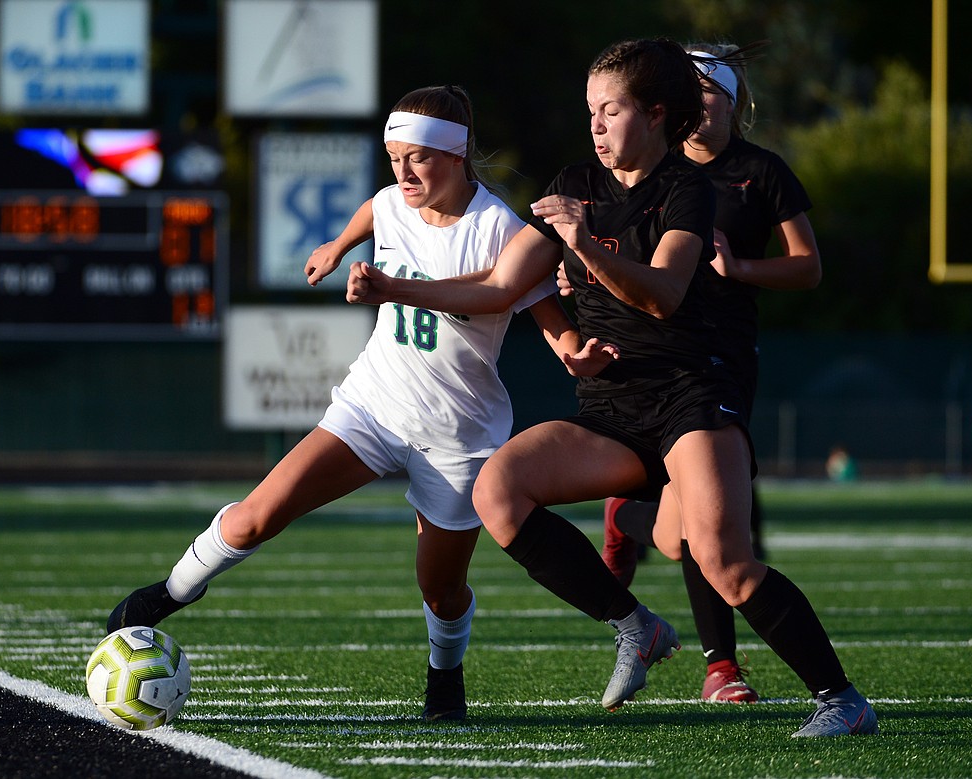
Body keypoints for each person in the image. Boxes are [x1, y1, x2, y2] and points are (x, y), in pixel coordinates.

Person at [348, 39, 876, 736]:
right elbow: (505, 286)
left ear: (656, 115)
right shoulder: (577, 182)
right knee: (498, 491)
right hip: (614, 405)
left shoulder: (691, 189)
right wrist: (393, 285)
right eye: (590, 111)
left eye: (611, 110)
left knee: (724, 561)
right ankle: (634, 624)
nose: (595, 125)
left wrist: (585, 246)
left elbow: (662, 293)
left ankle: (841, 698)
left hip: (692, 395)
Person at [106, 85, 619, 722]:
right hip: (372, 406)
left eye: (419, 159)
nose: (403, 173)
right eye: (394, 157)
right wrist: (337, 245)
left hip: (457, 434)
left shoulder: (502, 231)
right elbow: (373, 212)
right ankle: (164, 595)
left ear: (456, 156)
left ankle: (444, 677)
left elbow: (541, 310)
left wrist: (574, 350)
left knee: (441, 587)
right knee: (251, 519)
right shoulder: (391, 201)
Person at [569, 42, 820, 705]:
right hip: (664, 361)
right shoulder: (653, 173)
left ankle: (634, 515)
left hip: (725, 358)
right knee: (709, 539)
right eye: (691, 92)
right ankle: (722, 666)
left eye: (711, 94)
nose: (699, 104)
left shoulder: (757, 172)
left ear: (732, 104)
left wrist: (740, 271)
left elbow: (808, 266)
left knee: (695, 539)